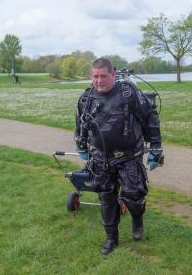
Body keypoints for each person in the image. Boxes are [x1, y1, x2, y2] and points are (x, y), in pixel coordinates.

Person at [75, 58, 163, 255]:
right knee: (106, 197)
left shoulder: (128, 93)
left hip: (129, 155)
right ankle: (111, 239)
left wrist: (156, 147)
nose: (99, 80)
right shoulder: (86, 98)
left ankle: (137, 218)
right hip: (101, 158)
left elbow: (150, 116)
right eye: (95, 76)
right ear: (91, 76)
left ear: (113, 75)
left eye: (103, 76)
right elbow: (80, 124)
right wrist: (81, 146)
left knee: (134, 196)